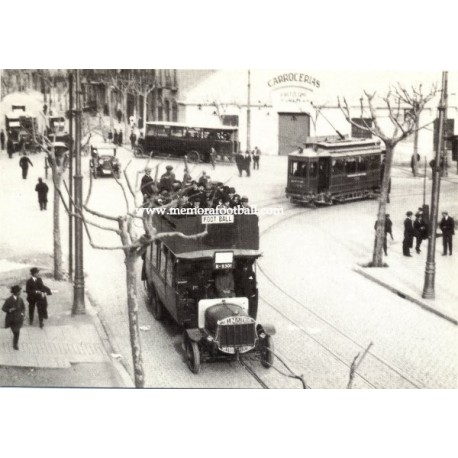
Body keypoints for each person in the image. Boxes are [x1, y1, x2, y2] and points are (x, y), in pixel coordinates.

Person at [2, 285, 26, 350]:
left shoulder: (20, 299)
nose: (20, 292)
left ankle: (15, 344)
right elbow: (3, 308)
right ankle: (15, 342)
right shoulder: (8, 300)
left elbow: (23, 307)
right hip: (12, 319)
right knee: (15, 332)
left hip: (18, 319)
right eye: (19, 291)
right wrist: (10, 310)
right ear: (16, 292)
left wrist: (22, 313)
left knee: (17, 332)